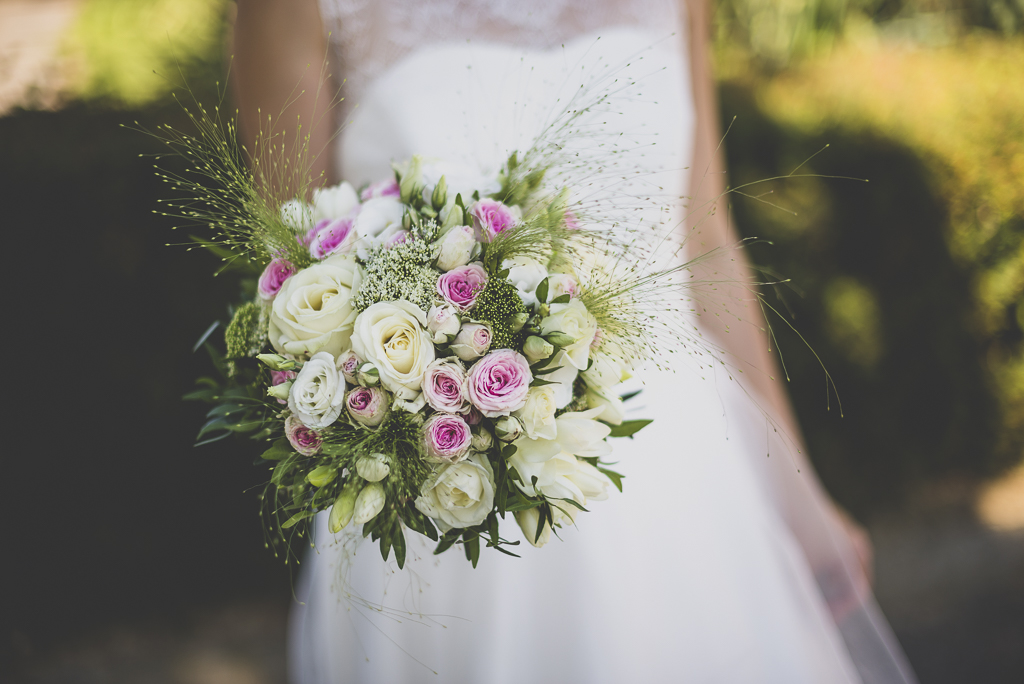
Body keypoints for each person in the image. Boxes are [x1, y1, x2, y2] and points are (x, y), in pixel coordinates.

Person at [231, 1, 918, 682]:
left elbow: (705, 247)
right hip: (449, 510)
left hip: (687, 479)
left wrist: (797, 486)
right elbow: (292, 268)